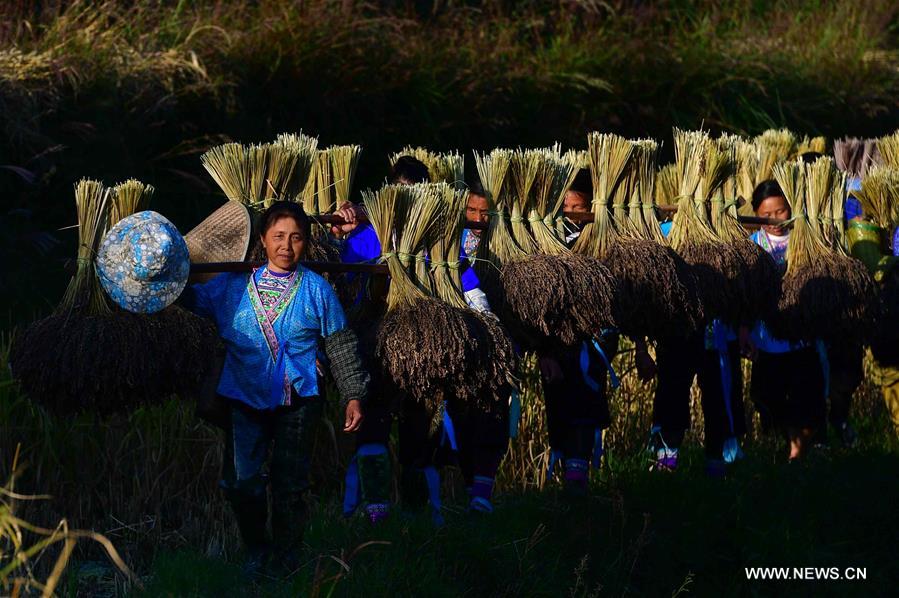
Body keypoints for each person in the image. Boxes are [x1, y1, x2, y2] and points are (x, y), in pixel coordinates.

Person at [182, 201, 370, 576]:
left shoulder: (317, 290)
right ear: (264, 241)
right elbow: (189, 299)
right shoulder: (230, 287)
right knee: (241, 482)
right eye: (279, 237)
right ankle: (257, 549)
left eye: (296, 238)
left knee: (290, 485)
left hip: (298, 401)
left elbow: (340, 344)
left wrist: (353, 394)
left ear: (305, 243)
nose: (287, 245)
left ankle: (287, 558)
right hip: (243, 397)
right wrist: (166, 271)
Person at [746, 180, 826, 460]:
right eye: (766, 215)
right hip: (767, 342)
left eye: (780, 211)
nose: (775, 220)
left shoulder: (803, 240)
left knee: (808, 400)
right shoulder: (752, 246)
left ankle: (796, 451)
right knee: (769, 398)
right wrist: (747, 335)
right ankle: (793, 449)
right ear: (755, 213)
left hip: (801, 341)